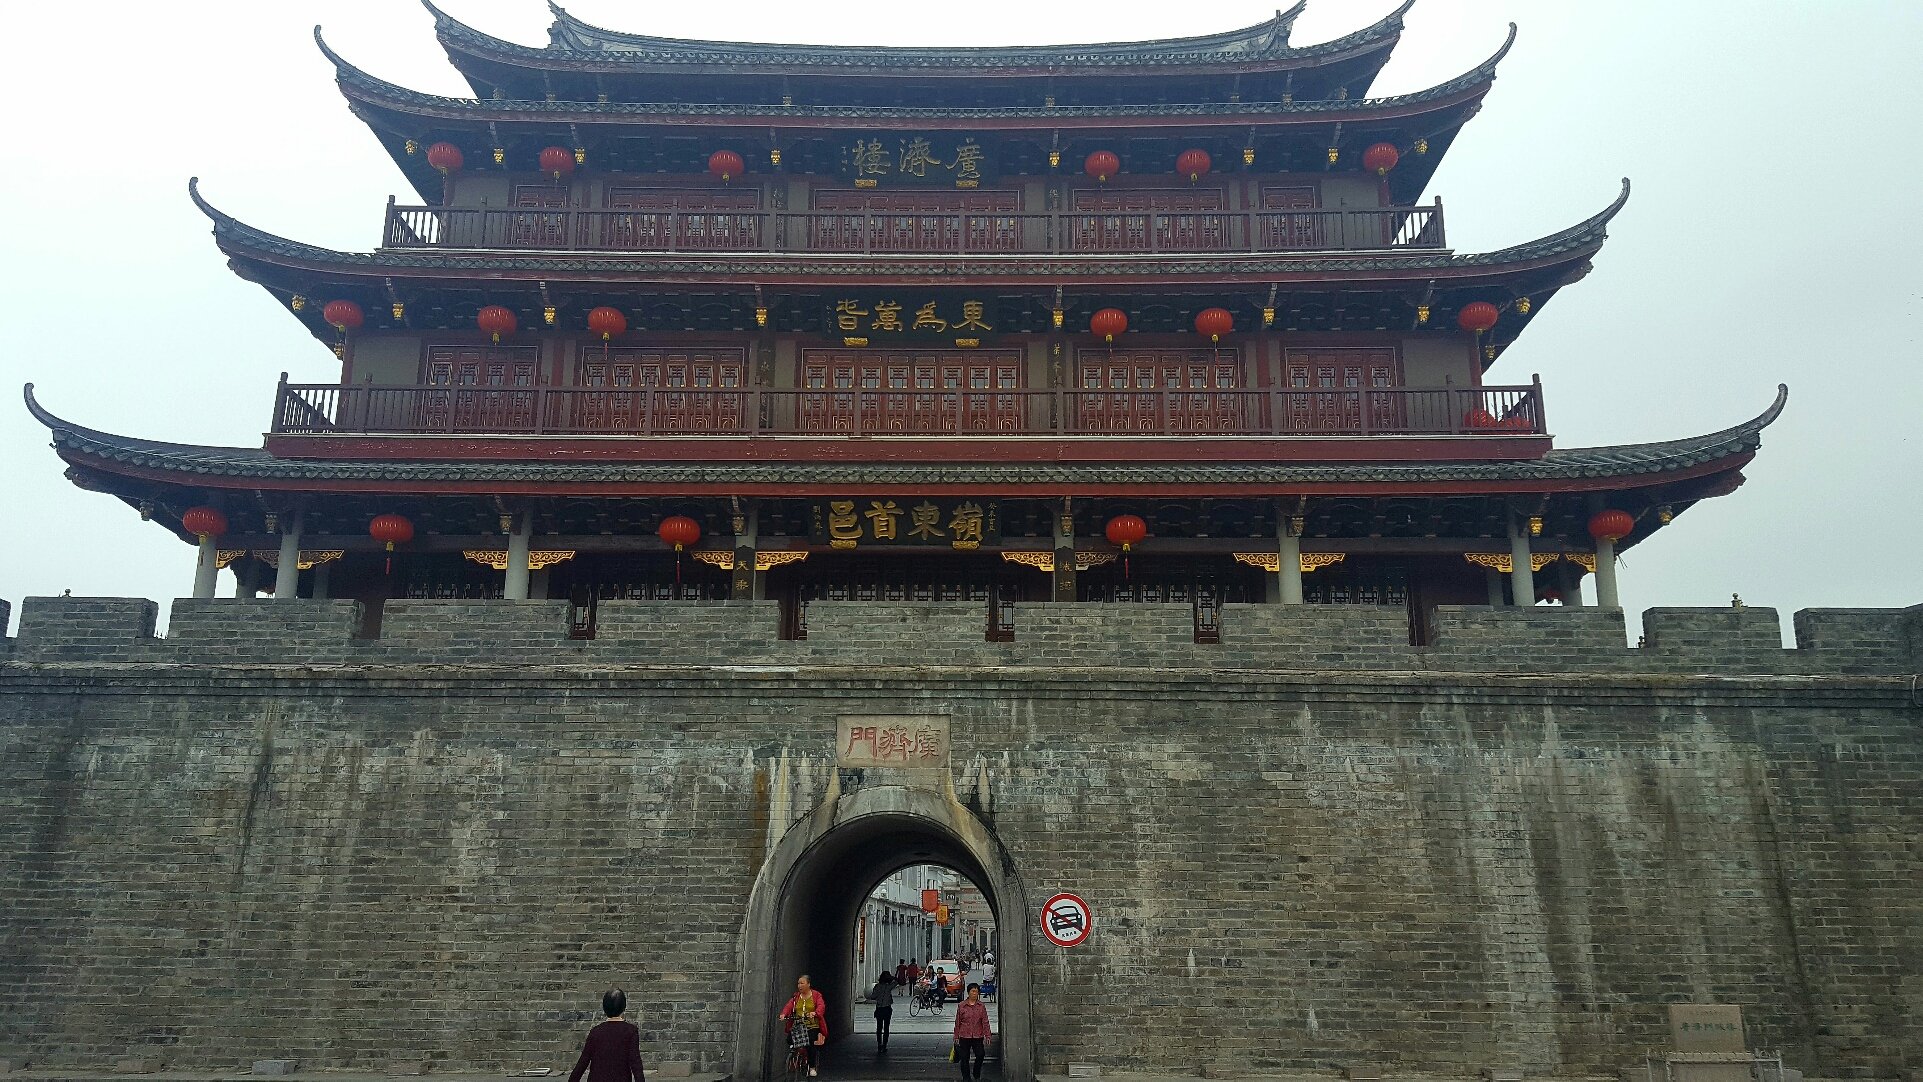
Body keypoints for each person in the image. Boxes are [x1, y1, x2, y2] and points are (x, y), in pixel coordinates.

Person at [568, 989, 645, 1082]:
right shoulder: (631, 1031)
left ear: (604, 1008)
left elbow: (583, 1062)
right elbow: (636, 1063)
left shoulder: (595, 1032)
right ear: (624, 1007)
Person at [778, 974, 828, 1078]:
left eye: (802, 983)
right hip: (798, 1025)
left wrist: (815, 1013)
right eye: (798, 983)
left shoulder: (816, 995)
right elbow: (789, 1006)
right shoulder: (796, 997)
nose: (799, 985)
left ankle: (812, 1067)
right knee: (789, 1039)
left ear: (808, 984)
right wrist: (783, 1014)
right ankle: (796, 1056)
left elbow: (821, 1006)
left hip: (812, 1025)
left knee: (810, 1043)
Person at [952, 983, 992, 1082]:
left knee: (980, 1054)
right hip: (964, 1035)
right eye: (973, 991)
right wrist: (956, 1036)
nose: (974, 993)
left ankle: (976, 1073)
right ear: (968, 992)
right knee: (964, 1057)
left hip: (978, 1035)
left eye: (976, 992)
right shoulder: (962, 1006)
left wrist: (988, 1035)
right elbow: (958, 1022)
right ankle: (966, 1077)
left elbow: (985, 1021)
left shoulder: (981, 1006)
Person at [870, 970, 896, 1053]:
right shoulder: (889, 987)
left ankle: (879, 1044)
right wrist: (892, 977)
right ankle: (884, 1045)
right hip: (887, 1009)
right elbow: (897, 981)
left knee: (879, 1027)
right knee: (886, 1028)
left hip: (879, 1009)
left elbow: (873, 996)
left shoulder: (877, 986)